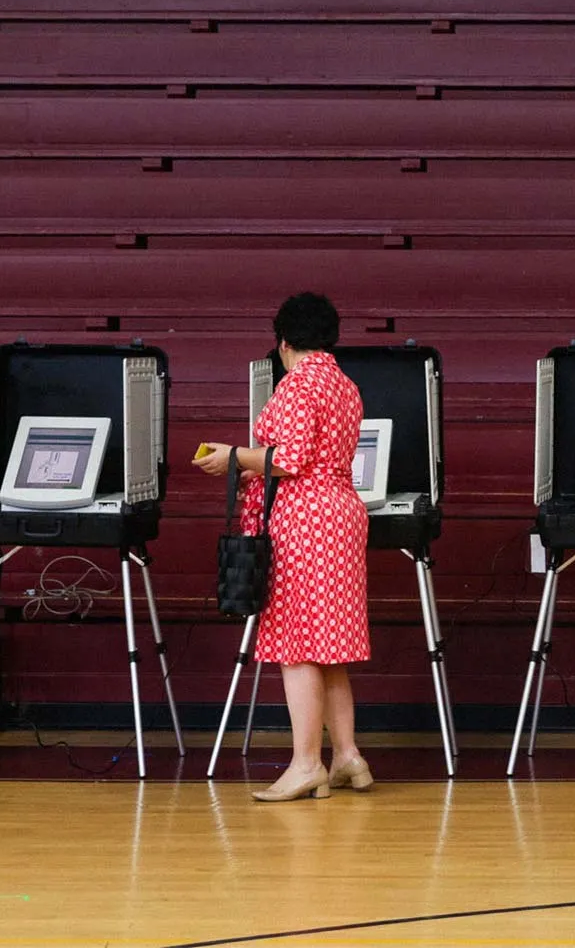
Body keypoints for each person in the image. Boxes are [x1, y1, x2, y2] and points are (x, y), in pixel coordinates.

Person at [195, 292, 371, 801]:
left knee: (297, 645)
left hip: (304, 517)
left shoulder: (298, 383)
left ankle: (306, 764)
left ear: (284, 342)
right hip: (342, 510)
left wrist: (234, 456)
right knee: (329, 646)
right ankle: (348, 756)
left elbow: (288, 459)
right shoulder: (344, 385)